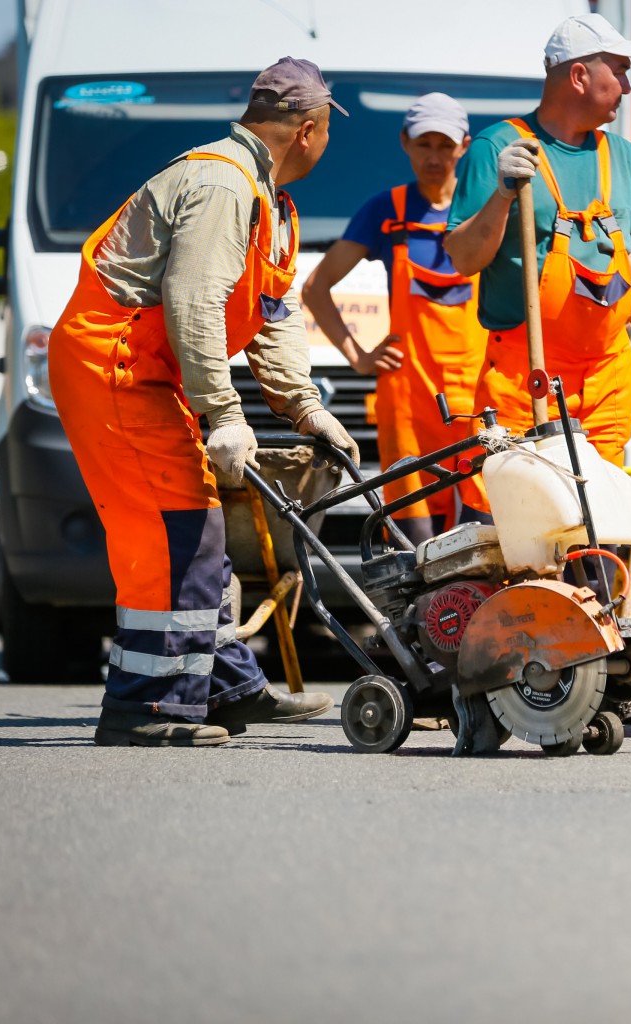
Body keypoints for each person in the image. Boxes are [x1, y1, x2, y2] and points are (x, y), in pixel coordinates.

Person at [48, 57, 357, 747]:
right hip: (115, 364)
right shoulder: (224, 185)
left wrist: (306, 408)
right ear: (307, 130)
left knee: (200, 522)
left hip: (145, 370)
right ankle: (146, 705)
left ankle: (225, 686)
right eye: (328, 131)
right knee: (173, 529)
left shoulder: (268, 200)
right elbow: (194, 302)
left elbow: (271, 316)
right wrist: (225, 412)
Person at [443, 12, 631, 465]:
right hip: (526, 376)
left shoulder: (622, 156)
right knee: (514, 502)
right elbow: (464, 259)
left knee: (600, 505)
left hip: (607, 375)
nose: (628, 87)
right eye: (620, 71)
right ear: (580, 76)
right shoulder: (498, 147)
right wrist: (503, 196)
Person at [302, 93, 488, 545]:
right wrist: (359, 357)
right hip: (408, 401)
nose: (434, 157)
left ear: (464, 146)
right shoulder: (386, 212)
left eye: (445, 146)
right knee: (414, 542)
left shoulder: (487, 210)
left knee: (486, 534)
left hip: (481, 396)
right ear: (405, 142)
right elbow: (315, 288)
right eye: (424, 144)